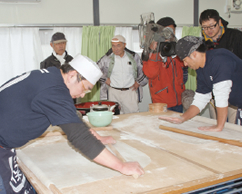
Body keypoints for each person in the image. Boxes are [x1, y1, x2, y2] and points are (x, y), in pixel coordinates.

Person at [0, 54, 144, 193]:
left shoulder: (52, 77)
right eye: (85, 88)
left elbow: (72, 117)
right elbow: (79, 137)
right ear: (72, 75)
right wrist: (121, 166)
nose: (82, 95)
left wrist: (96, 137)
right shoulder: (54, 90)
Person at [159, 36, 242, 131]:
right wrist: (182, 118)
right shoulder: (201, 69)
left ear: (194, 54)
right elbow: (201, 99)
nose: (185, 64)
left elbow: (221, 96)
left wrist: (219, 126)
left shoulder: (220, 60)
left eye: (185, 60)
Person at [199, 9, 242, 123]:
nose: (208, 30)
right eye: (205, 27)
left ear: (219, 22)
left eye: (212, 26)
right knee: (217, 125)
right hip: (215, 94)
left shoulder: (236, 36)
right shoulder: (203, 44)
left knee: (233, 128)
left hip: (235, 94)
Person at [142, 17, 187, 113]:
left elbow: (185, 66)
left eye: (172, 32)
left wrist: (178, 51)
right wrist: (154, 51)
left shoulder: (176, 47)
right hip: (161, 103)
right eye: (167, 32)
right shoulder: (151, 50)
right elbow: (151, 74)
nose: (170, 35)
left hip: (179, 101)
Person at [97, 35, 148, 114]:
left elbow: (145, 71)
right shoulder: (107, 58)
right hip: (113, 92)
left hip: (130, 92)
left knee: (133, 116)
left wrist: (138, 82)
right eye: (113, 46)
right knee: (114, 116)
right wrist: (104, 79)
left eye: (118, 45)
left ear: (124, 45)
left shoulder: (134, 57)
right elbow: (95, 70)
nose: (115, 49)